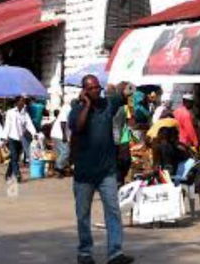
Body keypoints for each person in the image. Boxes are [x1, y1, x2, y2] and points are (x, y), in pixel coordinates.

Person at [69, 75, 134, 264]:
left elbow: (129, 88)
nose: (97, 90)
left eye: (98, 87)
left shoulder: (108, 105)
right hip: (84, 174)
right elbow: (78, 128)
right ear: (84, 91)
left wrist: (125, 86)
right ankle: (85, 253)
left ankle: (115, 252)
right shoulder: (77, 110)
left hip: (107, 172)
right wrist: (87, 105)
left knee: (113, 211)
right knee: (83, 215)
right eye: (92, 88)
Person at [3, 96, 37, 183]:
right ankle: (17, 175)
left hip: (20, 138)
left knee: (15, 158)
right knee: (14, 157)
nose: (23, 103)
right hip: (11, 138)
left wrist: (34, 133)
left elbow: (29, 124)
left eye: (24, 101)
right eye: (21, 101)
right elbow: (7, 125)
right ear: (17, 102)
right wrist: (4, 137)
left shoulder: (25, 114)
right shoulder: (10, 112)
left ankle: (8, 174)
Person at [52, 102, 72, 178]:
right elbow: (63, 122)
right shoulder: (67, 109)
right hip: (60, 135)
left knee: (60, 153)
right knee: (66, 152)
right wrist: (64, 135)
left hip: (57, 134)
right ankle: (58, 168)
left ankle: (60, 170)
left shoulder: (69, 109)